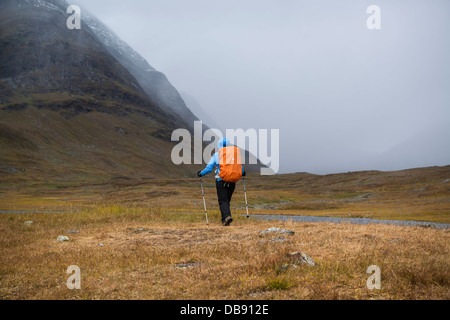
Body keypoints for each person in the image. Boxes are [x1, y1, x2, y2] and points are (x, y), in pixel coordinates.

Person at [197, 137, 246, 226]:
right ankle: (225, 220)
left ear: (218, 145)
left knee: (223, 201)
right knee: (227, 201)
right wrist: (243, 173)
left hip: (221, 180)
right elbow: (240, 168)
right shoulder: (234, 155)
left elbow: (209, 168)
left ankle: (226, 217)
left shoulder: (216, 155)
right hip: (232, 181)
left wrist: (201, 173)